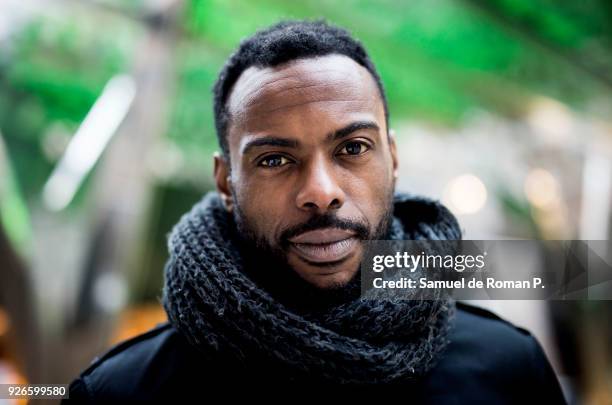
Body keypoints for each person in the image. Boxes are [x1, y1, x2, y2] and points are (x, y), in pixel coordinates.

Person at [65, 20, 566, 402]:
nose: (320, 192)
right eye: (275, 159)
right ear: (226, 182)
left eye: (352, 149)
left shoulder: (507, 367)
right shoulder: (120, 392)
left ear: (392, 157)